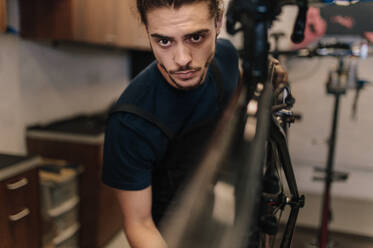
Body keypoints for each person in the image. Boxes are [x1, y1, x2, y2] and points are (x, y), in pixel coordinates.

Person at [101, 0, 288, 247]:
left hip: (235, 214)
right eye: (164, 41)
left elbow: (237, 95)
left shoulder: (226, 56)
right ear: (147, 32)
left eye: (196, 37)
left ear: (218, 22)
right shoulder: (131, 123)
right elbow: (139, 224)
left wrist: (265, 73)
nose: (182, 59)